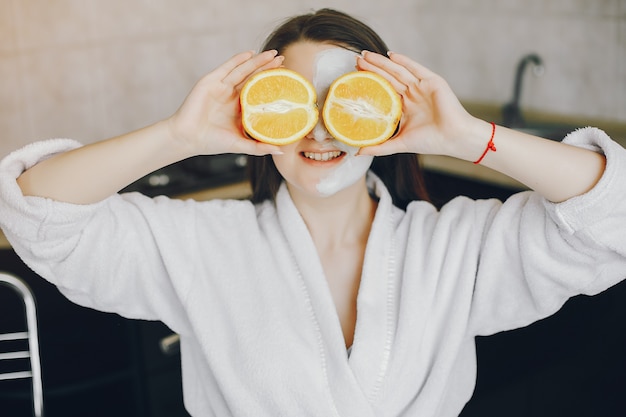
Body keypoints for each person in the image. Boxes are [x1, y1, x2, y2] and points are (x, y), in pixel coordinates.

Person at [0, 8, 625, 417]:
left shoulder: (455, 250)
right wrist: (178, 136)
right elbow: (35, 211)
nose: (322, 128)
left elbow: (612, 221)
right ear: (262, 113)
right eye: (298, 103)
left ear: (385, 113)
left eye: (346, 101)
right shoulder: (200, 246)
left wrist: (472, 139)